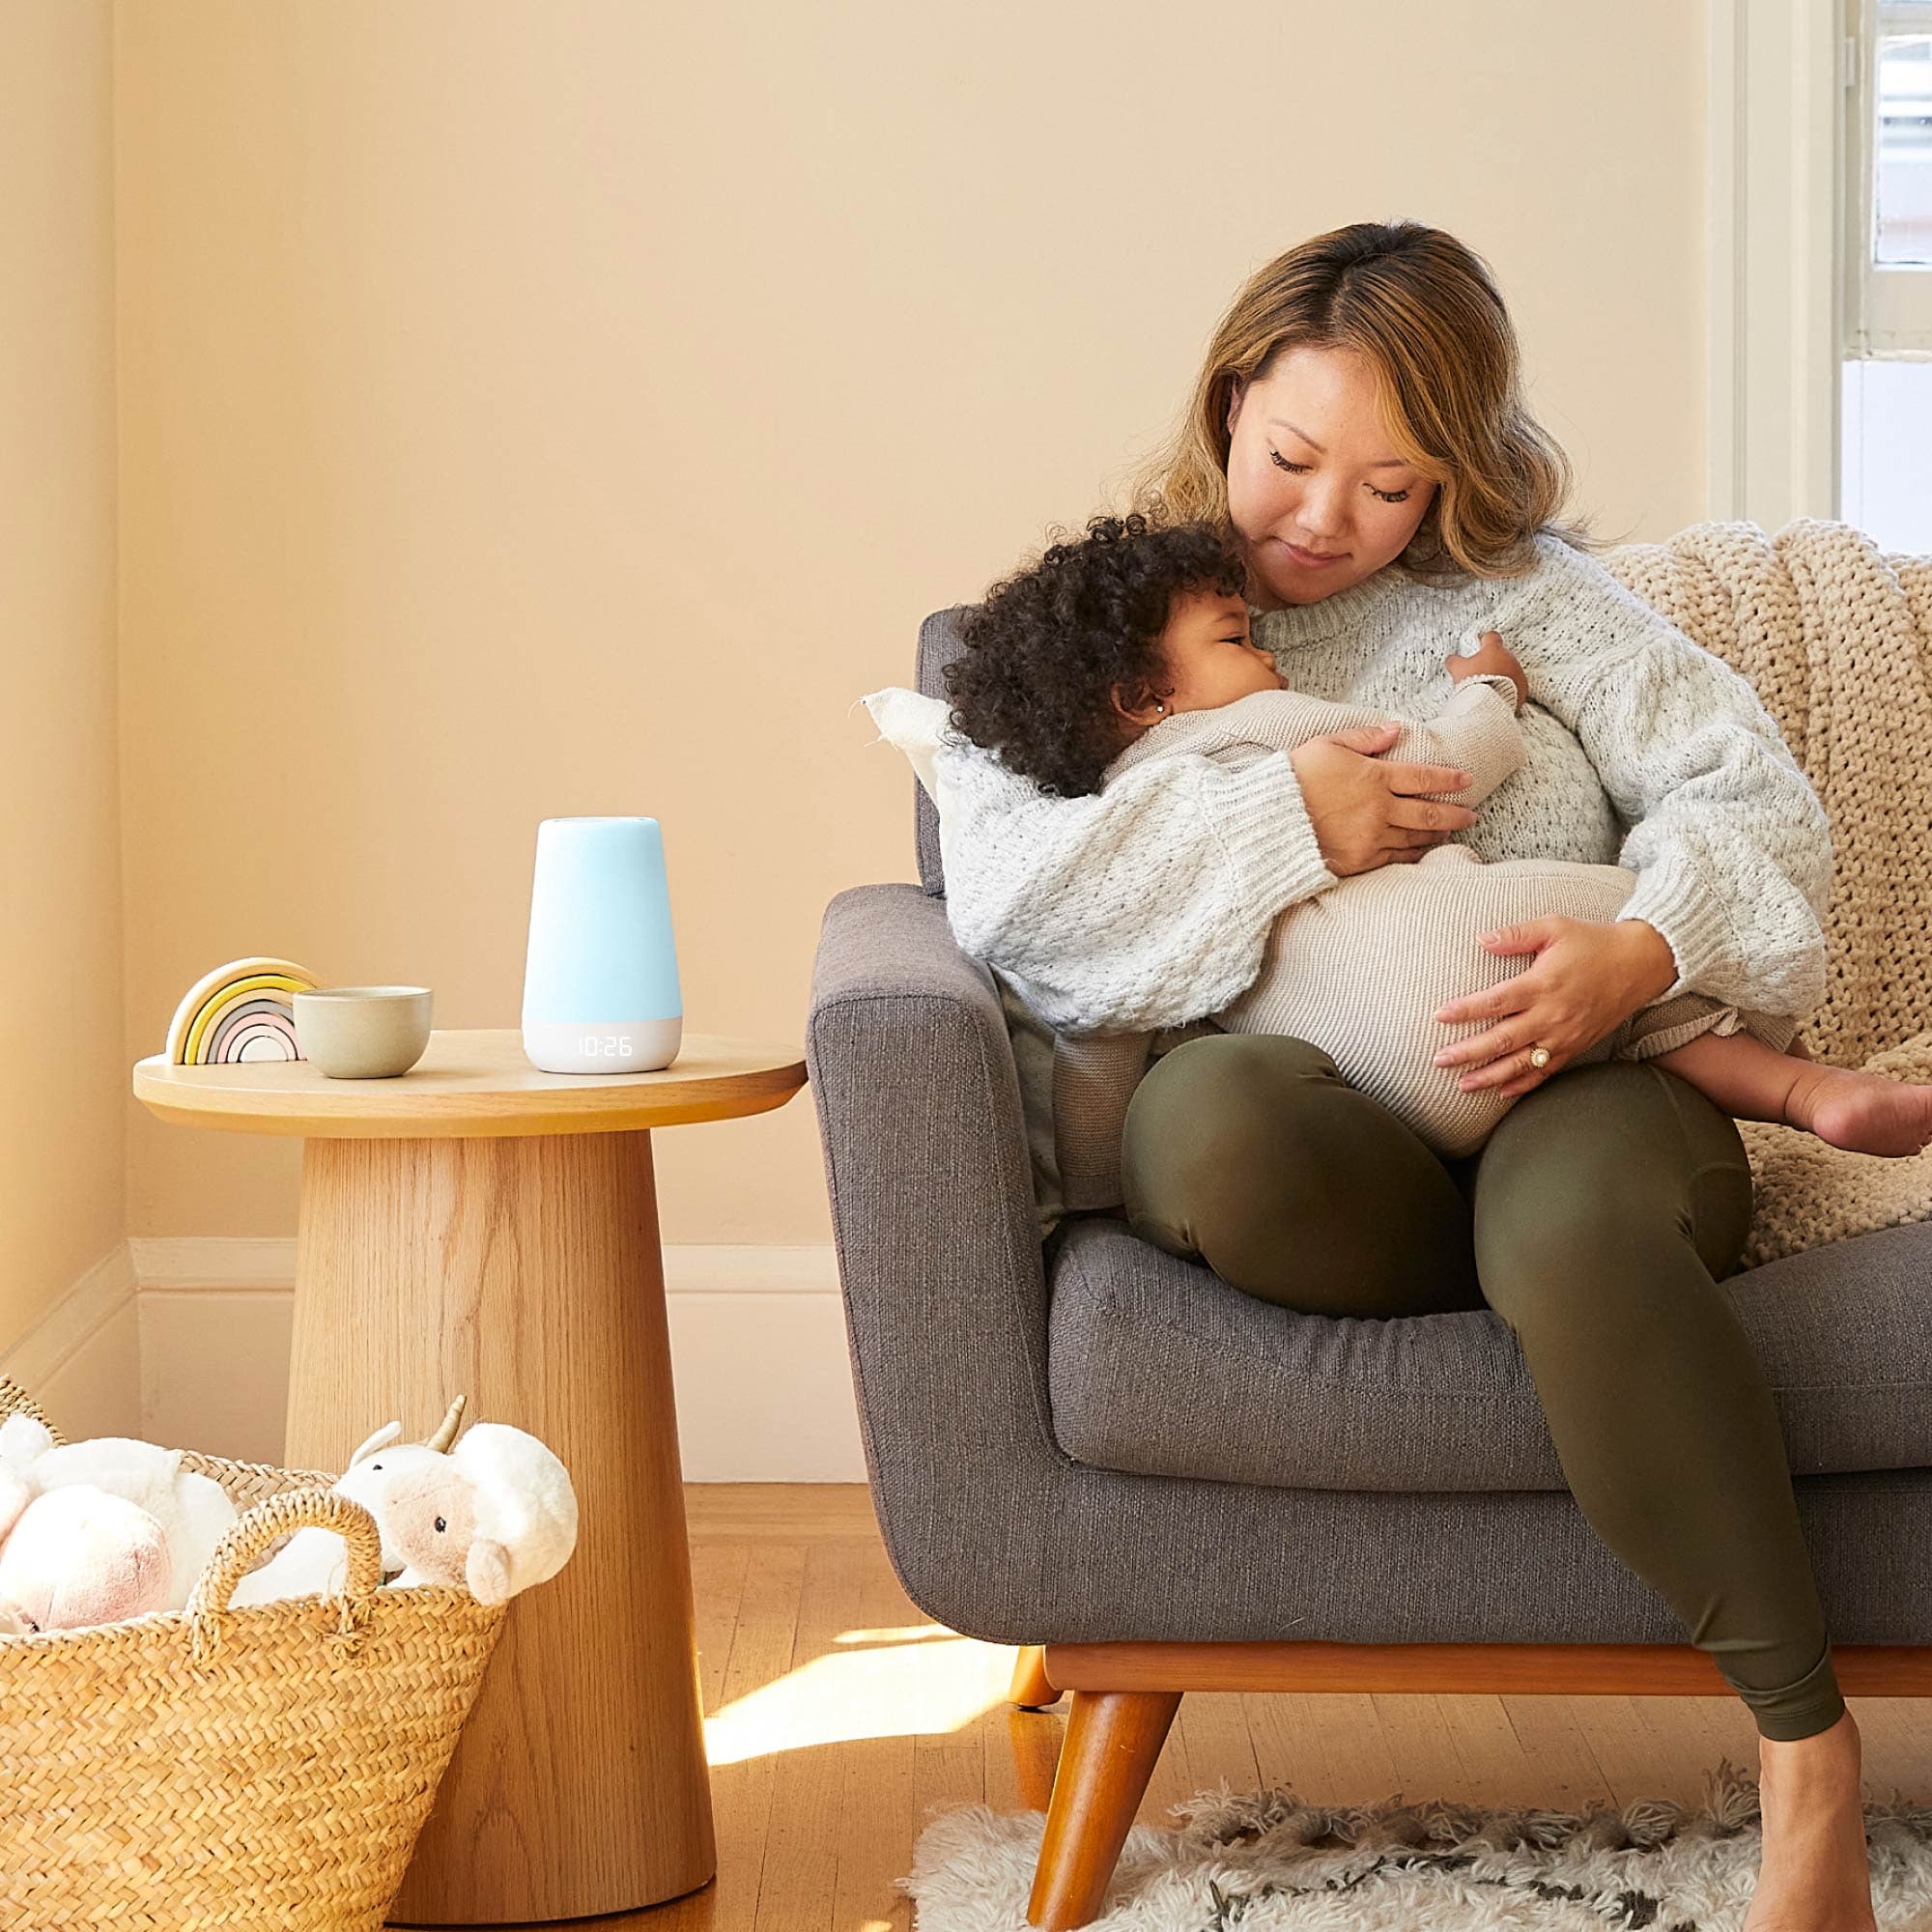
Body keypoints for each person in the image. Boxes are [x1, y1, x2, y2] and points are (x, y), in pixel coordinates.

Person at [933, 220, 1885, 1931]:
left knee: (1576, 1227)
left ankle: (1806, 1765)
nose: (1322, 523)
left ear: (1457, 472)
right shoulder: (1113, 621)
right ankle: (1555, 1297)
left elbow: (1758, 807)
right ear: (1230, 404)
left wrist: (1643, 954)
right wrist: (1295, 817)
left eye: (1389, 486)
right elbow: (1018, 905)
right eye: (1294, 460)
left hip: (1580, 1080)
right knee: (1208, 1126)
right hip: (1322, 1128)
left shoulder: (1534, 607)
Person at [934, 510, 1932, 1207]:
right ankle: (1803, 1087)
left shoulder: (1117, 796)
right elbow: (1438, 767)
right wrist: (1485, 698)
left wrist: (1096, 1196)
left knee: (1623, 982)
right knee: (1642, 970)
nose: (1268, 657)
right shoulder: (1256, 726)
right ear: (1141, 700)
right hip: (1460, 975)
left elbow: (1096, 1024)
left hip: (1386, 1066)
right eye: (1238, 638)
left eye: (1384, 483)